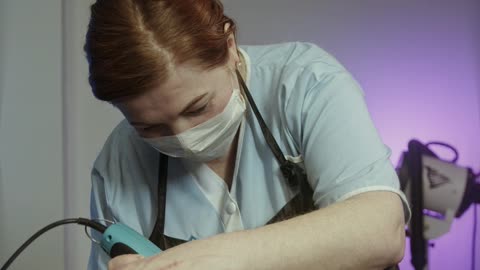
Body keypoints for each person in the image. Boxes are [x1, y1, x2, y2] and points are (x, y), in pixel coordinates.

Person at [84, 0, 411, 269]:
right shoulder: (119, 163)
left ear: (230, 48)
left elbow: (381, 230)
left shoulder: (304, 83)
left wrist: (222, 258)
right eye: (150, 127)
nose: (184, 138)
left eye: (197, 108)